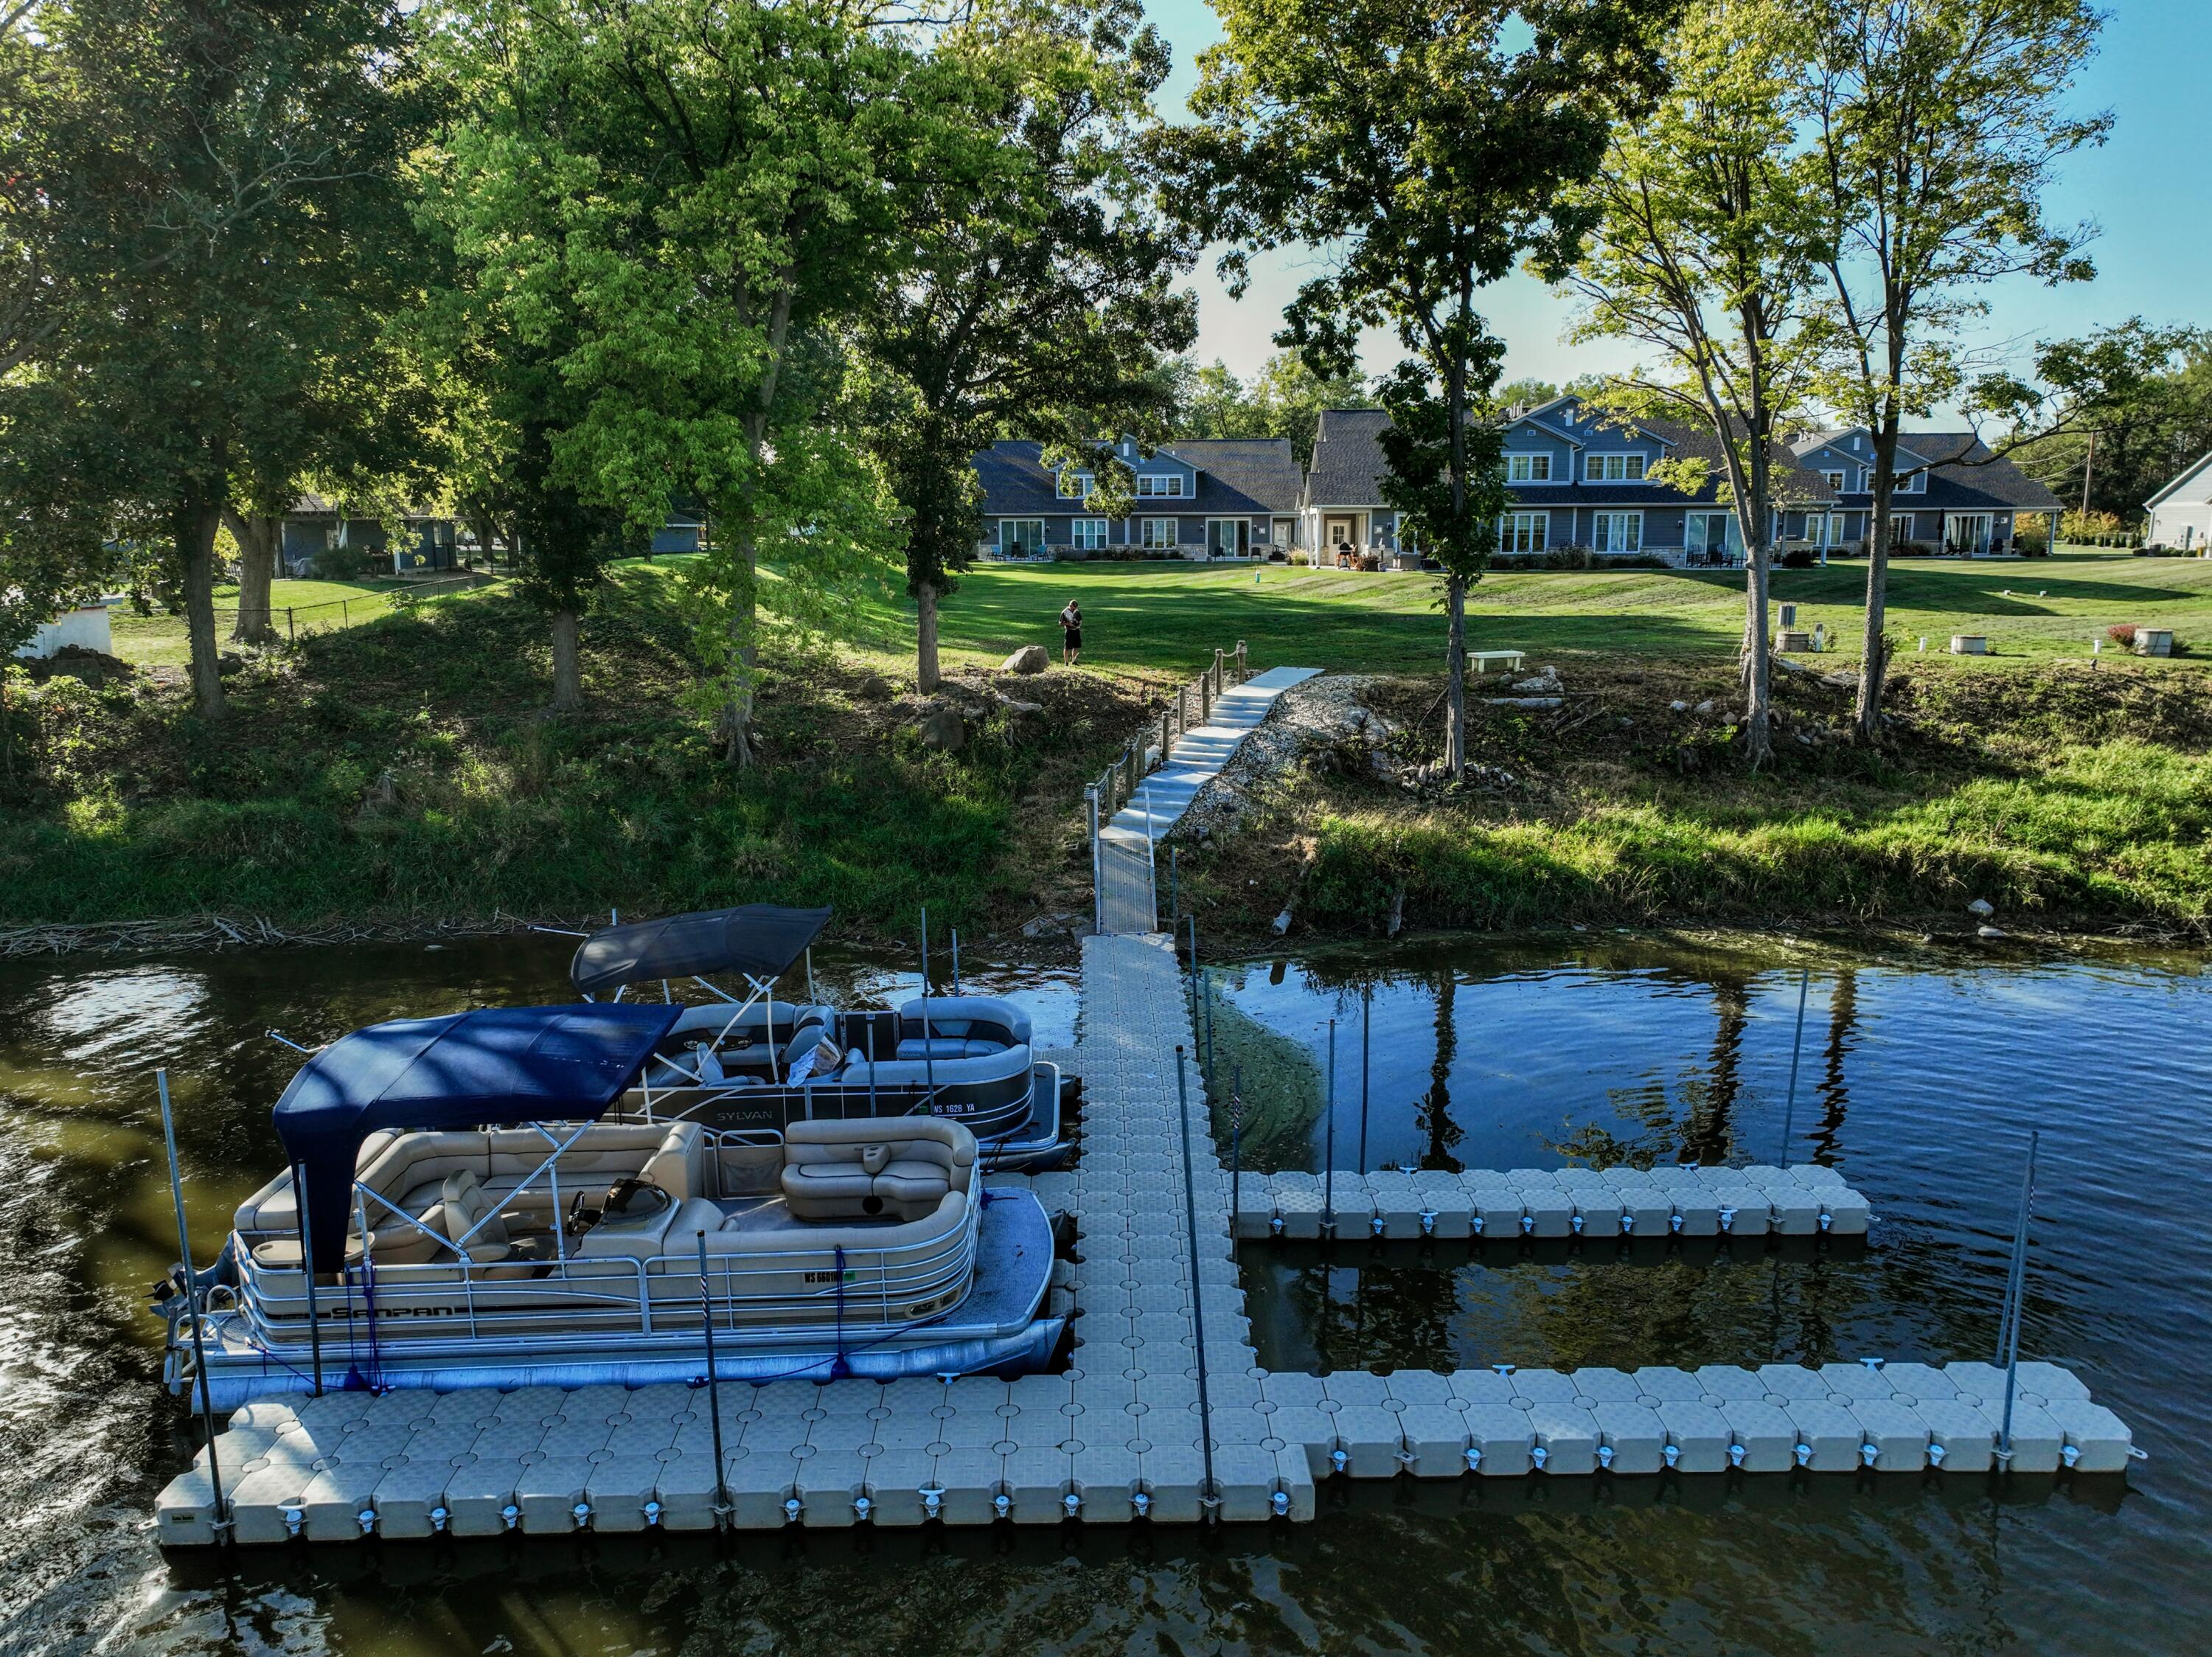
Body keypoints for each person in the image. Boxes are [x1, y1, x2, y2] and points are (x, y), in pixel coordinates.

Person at [1060, 598, 1082, 666]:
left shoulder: (1077, 612)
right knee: (1067, 647)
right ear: (1070, 606)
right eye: (1073, 608)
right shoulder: (1064, 612)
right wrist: (1068, 624)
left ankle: (1074, 661)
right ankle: (1066, 662)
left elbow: (1080, 620)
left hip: (1077, 630)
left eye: (1075, 608)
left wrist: (1078, 625)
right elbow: (1060, 623)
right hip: (1069, 631)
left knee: (1076, 646)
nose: (1074, 609)